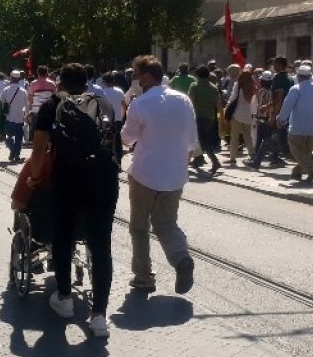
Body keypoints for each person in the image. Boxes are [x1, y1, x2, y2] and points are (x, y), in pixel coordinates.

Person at [25, 63, 118, 337]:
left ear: (60, 83)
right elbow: (113, 143)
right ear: (87, 82)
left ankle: (64, 298)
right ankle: (99, 315)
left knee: (63, 236)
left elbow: (39, 149)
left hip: (68, 178)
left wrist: (34, 178)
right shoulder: (104, 104)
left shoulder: (51, 106)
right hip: (102, 178)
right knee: (101, 244)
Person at [121, 55, 197, 300]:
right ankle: (181, 258)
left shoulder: (140, 104)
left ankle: (144, 277)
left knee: (139, 227)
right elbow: (191, 141)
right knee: (166, 223)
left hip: (146, 173)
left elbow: (126, 139)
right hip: (176, 173)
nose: (134, 78)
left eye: (136, 74)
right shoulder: (184, 100)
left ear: (147, 76)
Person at [276, 65, 313, 183]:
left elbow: (287, 106)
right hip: (312, 125)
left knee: (296, 150)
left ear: (298, 76)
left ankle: (311, 169)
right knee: (306, 151)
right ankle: (297, 172)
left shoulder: (296, 89)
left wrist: (280, 119)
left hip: (298, 126)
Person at [187, 66, 223, 173]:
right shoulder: (213, 87)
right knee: (202, 138)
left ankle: (214, 161)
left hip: (197, 117)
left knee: (203, 140)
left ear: (197, 75)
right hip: (210, 118)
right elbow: (219, 104)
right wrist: (222, 119)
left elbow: (190, 102)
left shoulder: (194, 86)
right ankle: (198, 159)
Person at [267, 57, 293, 167]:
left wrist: (274, 115)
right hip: (288, 111)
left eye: (274, 64)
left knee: (276, 134)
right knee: (282, 135)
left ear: (279, 65)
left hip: (280, 111)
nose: (273, 66)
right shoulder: (289, 77)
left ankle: (276, 157)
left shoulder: (279, 78)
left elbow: (279, 97)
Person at [226, 70, 255, 166]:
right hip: (248, 115)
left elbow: (232, 98)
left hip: (237, 114)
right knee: (248, 136)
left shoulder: (238, 85)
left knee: (234, 137)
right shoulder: (252, 86)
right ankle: (252, 154)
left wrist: (227, 108)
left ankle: (233, 158)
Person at [248, 71, 276, 169]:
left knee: (262, 139)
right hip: (267, 117)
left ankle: (256, 159)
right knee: (265, 138)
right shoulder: (271, 92)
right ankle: (260, 158)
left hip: (262, 118)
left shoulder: (261, 91)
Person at [0, 71, 28, 162]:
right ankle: (16, 154)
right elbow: (27, 105)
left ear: (11, 78)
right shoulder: (23, 91)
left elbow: (1, 102)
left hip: (9, 117)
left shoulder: (6, 90)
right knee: (19, 138)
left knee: (8, 137)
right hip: (20, 118)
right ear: (19, 79)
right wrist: (26, 115)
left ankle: (13, 150)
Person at [100, 72, 128, 160]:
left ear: (103, 81)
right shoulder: (119, 91)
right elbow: (124, 105)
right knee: (118, 142)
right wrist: (122, 116)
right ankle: (119, 161)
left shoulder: (102, 93)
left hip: (106, 120)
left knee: (107, 142)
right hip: (118, 119)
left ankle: (109, 160)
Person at [25, 65, 56, 132]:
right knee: (48, 130)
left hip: (36, 110)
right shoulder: (52, 84)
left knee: (36, 129)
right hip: (48, 110)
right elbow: (55, 97)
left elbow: (30, 98)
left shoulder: (33, 83)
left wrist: (28, 112)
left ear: (37, 73)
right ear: (47, 73)